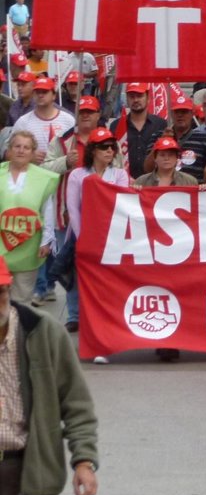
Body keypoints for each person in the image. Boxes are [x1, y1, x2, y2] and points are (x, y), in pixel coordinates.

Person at [0, 256, 99, 495]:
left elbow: (76, 402)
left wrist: (84, 461)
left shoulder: (43, 331)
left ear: (9, 288)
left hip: (32, 472)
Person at [62, 128, 129, 338]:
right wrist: (83, 238)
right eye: (103, 147)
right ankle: (75, 317)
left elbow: (121, 205)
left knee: (107, 281)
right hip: (82, 234)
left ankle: (106, 319)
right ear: (92, 150)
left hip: (111, 237)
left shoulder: (120, 174)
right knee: (77, 279)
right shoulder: (77, 175)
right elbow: (73, 208)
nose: (109, 151)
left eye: (112, 147)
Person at [0, 131, 57, 304]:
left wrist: (46, 241)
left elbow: (48, 211)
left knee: (21, 301)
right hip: (0, 246)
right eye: (17, 146)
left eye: (26, 147)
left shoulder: (44, 178)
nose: (21, 151)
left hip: (29, 247)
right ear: (9, 150)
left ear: (33, 152)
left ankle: (17, 322)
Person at [14, 77, 75, 164]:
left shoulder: (69, 120)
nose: (40, 95)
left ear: (54, 95)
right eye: (37, 92)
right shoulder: (23, 122)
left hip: (63, 169)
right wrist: (29, 156)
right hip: (34, 170)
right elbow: (9, 151)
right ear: (33, 95)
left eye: (44, 92)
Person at [112, 82, 167, 173]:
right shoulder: (116, 125)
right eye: (132, 96)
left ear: (148, 98)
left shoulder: (160, 124)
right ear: (127, 99)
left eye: (140, 96)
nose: (136, 100)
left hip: (154, 179)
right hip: (124, 179)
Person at [158, 94, 206, 181]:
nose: (180, 115)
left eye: (184, 112)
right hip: (165, 187)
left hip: (194, 187)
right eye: (177, 112)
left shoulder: (205, 138)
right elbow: (147, 168)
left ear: (192, 114)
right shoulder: (158, 135)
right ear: (171, 114)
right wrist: (161, 142)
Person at [135, 137, 200, 188]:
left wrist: (203, 190)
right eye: (162, 155)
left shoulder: (190, 181)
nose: (166, 158)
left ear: (177, 158)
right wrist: (134, 192)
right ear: (155, 158)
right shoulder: (141, 181)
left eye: (171, 155)